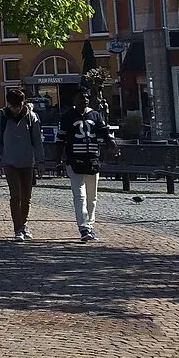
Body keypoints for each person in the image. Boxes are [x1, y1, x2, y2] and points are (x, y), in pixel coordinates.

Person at [60, 85, 112, 242]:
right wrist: (59, 160)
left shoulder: (95, 115)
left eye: (87, 97)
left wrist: (111, 143)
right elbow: (60, 139)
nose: (85, 100)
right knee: (79, 195)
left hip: (92, 160)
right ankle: (83, 227)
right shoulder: (68, 116)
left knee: (92, 196)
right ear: (74, 99)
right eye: (81, 97)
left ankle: (90, 225)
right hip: (75, 160)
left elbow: (104, 131)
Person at [0, 88, 45, 240]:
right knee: (15, 196)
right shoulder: (2, 117)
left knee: (26, 197)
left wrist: (41, 161)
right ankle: (18, 229)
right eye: (13, 106)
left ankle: (24, 224)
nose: (16, 109)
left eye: (19, 106)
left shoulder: (31, 117)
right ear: (8, 104)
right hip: (9, 162)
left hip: (27, 162)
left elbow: (37, 140)